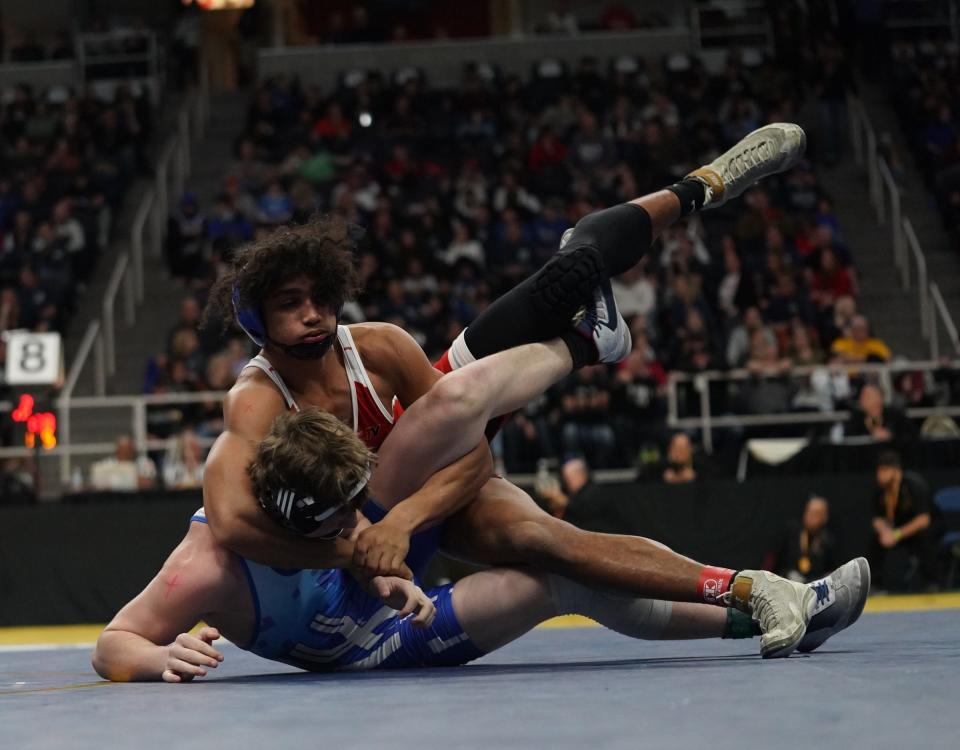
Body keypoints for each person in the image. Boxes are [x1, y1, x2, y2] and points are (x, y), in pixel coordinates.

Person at [199, 123, 822, 656]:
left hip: (435, 464)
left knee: (490, 397)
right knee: (548, 550)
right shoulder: (257, 400)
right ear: (256, 321)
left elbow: (474, 452)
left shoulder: (377, 347)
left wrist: (408, 518)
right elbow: (229, 522)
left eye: (321, 299)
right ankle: (749, 594)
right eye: (290, 305)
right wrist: (355, 548)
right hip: (378, 526)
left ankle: (697, 189)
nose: (313, 315)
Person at [91, 406, 870, 682]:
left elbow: (354, 525)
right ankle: (757, 616)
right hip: (368, 652)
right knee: (549, 584)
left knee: (547, 551)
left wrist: (383, 564)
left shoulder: (329, 507)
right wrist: (156, 658)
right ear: (291, 524)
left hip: (394, 611)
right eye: (341, 522)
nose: (359, 528)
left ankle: (785, 606)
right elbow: (112, 642)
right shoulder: (204, 570)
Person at [870, 451, 938, 591]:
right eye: (878, 470)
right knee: (875, 539)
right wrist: (884, 532)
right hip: (895, 530)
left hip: (920, 528)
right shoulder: (880, 489)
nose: (879, 475)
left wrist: (897, 534)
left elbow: (923, 519)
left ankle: (933, 582)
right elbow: (877, 518)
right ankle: (874, 584)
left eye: (884, 470)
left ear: (895, 470)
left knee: (924, 536)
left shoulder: (915, 484)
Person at [775, 496, 837, 583]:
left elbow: (830, 571)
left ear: (825, 517)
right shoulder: (791, 532)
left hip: (813, 587)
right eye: (809, 511)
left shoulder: (828, 540)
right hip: (787, 582)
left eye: (816, 513)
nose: (811, 516)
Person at [844, 384, 914, 442]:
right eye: (862, 396)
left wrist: (890, 435)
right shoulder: (856, 417)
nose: (862, 399)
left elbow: (911, 435)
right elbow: (849, 438)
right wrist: (870, 437)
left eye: (867, 396)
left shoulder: (895, 415)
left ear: (879, 398)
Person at [89, 435, 157, 491]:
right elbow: (97, 482)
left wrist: (114, 481)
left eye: (128, 450)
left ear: (133, 450)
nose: (125, 453)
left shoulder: (145, 463)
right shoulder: (107, 464)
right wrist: (132, 480)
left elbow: (148, 483)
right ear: (117, 451)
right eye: (122, 450)